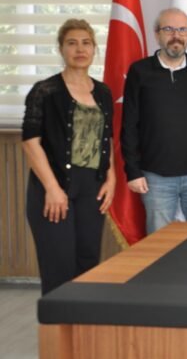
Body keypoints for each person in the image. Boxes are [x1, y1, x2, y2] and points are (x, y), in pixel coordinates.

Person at [22, 19, 115, 294]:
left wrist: (111, 179)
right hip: (54, 187)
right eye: (72, 43)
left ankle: (82, 323)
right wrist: (52, 189)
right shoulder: (45, 91)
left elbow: (106, 139)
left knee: (88, 264)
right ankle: (57, 324)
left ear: (94, 48)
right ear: (61, 49)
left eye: (86, 43)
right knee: (58, 267)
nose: (80, 49)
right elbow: (30, 143)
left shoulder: (103, 92)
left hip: (92, 188)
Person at [121, 8, 187, 235]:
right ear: (157, 34)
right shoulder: (139, 72)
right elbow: (129, 126)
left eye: (182, 30)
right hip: (155, 177)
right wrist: (133, 171)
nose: (176, 35)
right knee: (158, 244)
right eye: (168, 29)